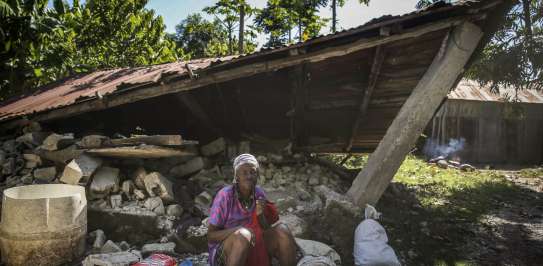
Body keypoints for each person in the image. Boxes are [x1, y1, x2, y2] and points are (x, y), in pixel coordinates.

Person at [207, 154, 297, 266]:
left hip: (253, 247)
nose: (249, 176)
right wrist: (239, 229)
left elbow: (264, 229)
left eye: (252, 172)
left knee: (282, 230)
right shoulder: (225, 196)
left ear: (257, 175)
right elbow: (211, 235)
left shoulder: (258, 193)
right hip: (227, 253)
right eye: (244, 172)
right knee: (243, 235)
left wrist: (260, 215)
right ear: (236, 176)